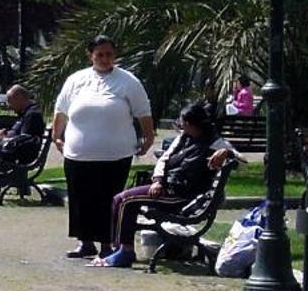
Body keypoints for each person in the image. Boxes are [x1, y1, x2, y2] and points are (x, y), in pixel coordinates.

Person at [93, 102, 237, 267]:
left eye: (181, 121)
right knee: (122, 199)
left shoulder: (214, 142)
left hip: (182, 195)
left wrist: (227, 152)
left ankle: (124, 252)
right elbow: (164, 159)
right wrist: (158, 180)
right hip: (166, 186)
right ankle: (122, 249)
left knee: (124, 200)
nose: (179, 125)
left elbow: (240, 159)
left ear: (189, 124)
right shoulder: (184, 138)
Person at [51, 34, 155, 259]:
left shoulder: (128, 81)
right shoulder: (76, 79)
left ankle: (107, 243)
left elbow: (143, 112)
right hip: (78, 154)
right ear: (90, 56)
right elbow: (61, 109)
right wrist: (56, 136)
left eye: (109, 54)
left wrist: (148, 138)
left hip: (115, 154)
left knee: (108, 199)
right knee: (81, 199)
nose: (105, 59)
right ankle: (84, 242)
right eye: (100, 54)